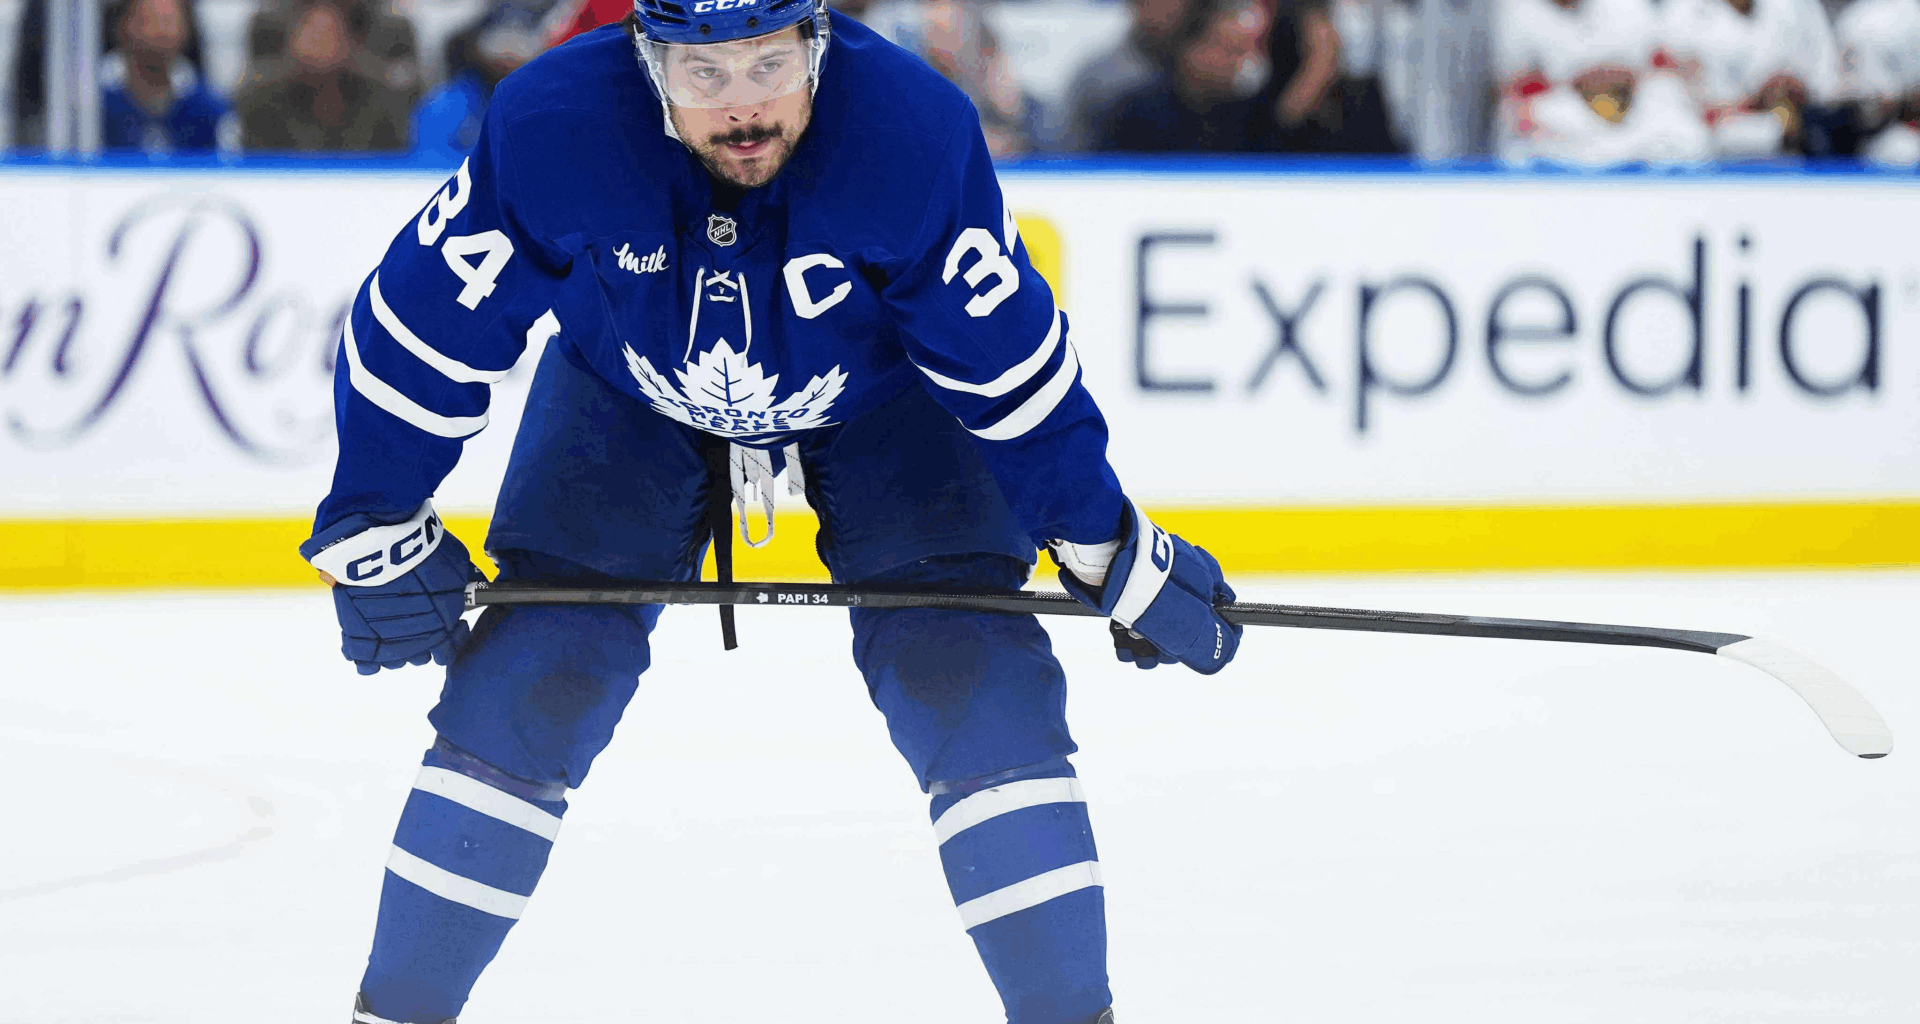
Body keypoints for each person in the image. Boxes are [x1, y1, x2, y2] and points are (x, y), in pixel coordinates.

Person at [296, 0, 1243, 1021]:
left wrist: (1106, 542)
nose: (742, 107)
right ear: (648, 61)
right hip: (626, 383)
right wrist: (372, 518)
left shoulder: (911, 130)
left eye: (768, 66)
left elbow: (1007, 365)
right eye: (704, 75)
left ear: (818, 46)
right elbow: (422, 323)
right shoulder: (557, 119)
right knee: (534, 675)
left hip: (892, 397)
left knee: (968, 675)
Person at [1094, 0, 1274, 152]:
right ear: (1189, 51)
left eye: (1242, 52)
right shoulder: (1134, 114)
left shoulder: (1255, 116)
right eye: (1227, 51)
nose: (1238, 62)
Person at [236, 0, 416, 151]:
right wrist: (293, 65)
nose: (320, 40)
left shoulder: (383, 99)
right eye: (313, 32)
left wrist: (350, 60)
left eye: (328, 34)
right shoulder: (259, 102)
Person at [411, 1, 550, 162]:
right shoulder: (446, 105)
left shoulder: (543, 102)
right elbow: (428, 162)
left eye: (520, 47)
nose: (509, 55)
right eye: (500, 46)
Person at [98, 0, 233, 154]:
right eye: (150, 21)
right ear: (123, 25)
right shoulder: (94, 101)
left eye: (169, 22)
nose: (161, 32)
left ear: (186, 30)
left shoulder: (207, 107)